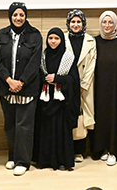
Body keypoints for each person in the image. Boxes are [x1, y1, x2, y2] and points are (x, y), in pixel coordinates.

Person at [0, 2, 42, 176]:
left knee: (24, 126)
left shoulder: (35, 35)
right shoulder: (1, 34)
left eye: (21, 15)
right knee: (10, 125)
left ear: (26, 16)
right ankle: (12, 157)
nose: (18, 18)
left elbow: (35, 62)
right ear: (10, 16)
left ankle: (23, 161)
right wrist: (8, 80)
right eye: (15, 15)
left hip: (27, 88)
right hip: (6, 88)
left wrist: (21, 82)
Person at [90, 11, 117, 166]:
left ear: (115, 24)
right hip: (99, 89)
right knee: (101, 119)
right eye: (104, 22)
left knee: (116, 119)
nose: (107, 25)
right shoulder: (95, 42)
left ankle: (114, 151)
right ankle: (101, 148)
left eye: (110, 22)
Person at [33, 27, 81, 170]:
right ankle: (44, 160)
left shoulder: (68, 57)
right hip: (45, 102)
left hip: (62, 104)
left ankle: (61, 161)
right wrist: (45, 78)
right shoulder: (42, 56)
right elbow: (37, 76)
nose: (53, 41)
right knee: (45, 132)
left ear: (61, 40)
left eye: (56, 38)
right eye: (50, 38)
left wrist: (58, 79)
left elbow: (74, 80)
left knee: (60, 132)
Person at [65, 9, 96, 163]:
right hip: (67, 84)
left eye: (79, 22)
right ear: (68, 24)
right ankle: (67, 150)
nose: (76, 25)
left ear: (83, 24)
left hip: (85, 85)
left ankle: (79, 151)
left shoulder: (90, 41)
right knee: (68, 115)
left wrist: (83, 85)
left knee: (83, 118)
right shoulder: (62, 39)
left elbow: (91, 65)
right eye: (73, 22)